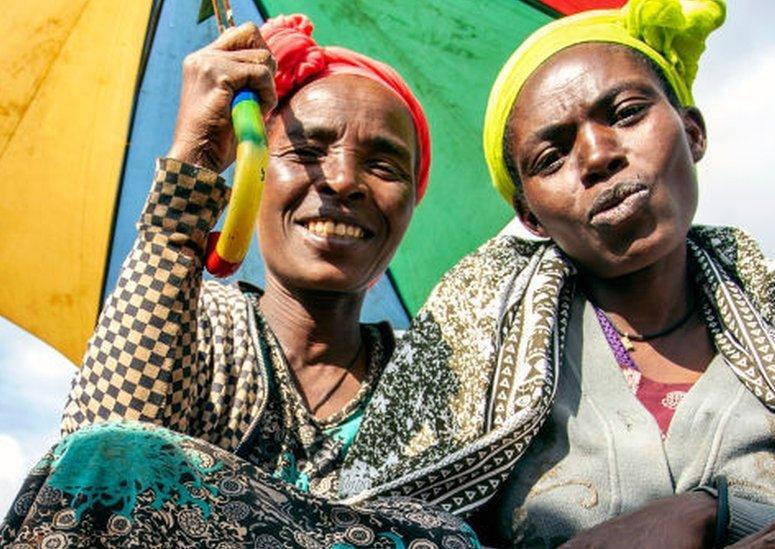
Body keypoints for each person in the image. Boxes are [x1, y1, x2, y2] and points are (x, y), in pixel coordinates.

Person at [325, 1, 775, 547]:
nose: (598, 155)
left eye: (626, 114)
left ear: (692, 132)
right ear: (531, 215)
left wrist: (715, 513)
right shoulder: (472, 354)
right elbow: (373, 532)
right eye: (552, 155)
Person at [1, 14, 478, 548]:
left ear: (413, 201)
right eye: (306, 152)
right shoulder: (199, 327)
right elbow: (96, 480)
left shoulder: (436, 374)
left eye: (384, 166)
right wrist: (194, 164)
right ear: (257, 172)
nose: (343, 181)